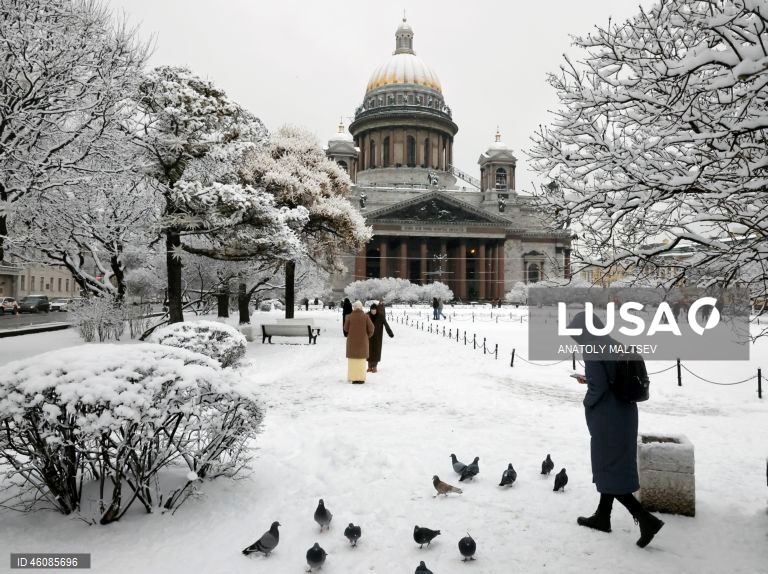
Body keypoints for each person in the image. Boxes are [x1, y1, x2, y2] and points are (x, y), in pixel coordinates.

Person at [568, 312, 664, 548]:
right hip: (625, 414)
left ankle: (646, 520)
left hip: (607, 417)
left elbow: (599, 387)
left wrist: (587, 401)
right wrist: (590, 380)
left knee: (607, 465)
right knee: (612, 466)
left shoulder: (591, 348)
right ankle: (603, 517)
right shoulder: (613, 343)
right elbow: (610, 378)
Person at [343, 300, 374, 384]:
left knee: (352, 362)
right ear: (361, 307)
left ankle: (352, 378)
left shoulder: (349, 317)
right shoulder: (366, 317)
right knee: (361, 361)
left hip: (351, 343)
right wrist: (367, 336)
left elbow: (345, 329)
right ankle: (360, 378)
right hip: (362, 343)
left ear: (353, 307)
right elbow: (371, 329)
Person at [367, 301, 394, 373]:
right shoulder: (367, 315)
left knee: (376, 351)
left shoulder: (380, 316)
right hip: (368, 336)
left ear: (377, 309)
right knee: (368, 351)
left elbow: (386, 324)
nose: (373, 311)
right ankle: (369, 366)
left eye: (374, 309)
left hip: (377, 336)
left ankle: (375, 366)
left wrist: (390, 333)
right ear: (370, 309)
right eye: (372, 309)